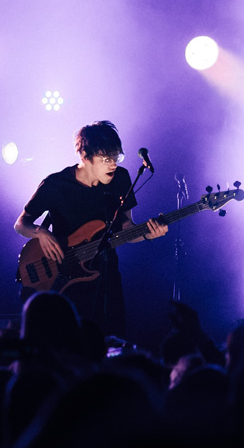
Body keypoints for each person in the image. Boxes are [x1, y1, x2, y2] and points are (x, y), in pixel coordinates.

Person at [14, 121, 166, 340]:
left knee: (113, 343)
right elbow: (21, 223)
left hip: (107, 277)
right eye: (106, 159)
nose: (113, 164)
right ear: (85, 156)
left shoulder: (120, 179)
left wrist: (147, 234)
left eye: (116, 157)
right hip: (66, 279)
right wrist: (41, 232)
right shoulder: (56, 185)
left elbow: (126, 227)